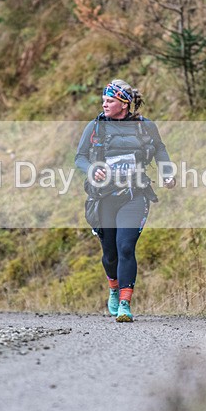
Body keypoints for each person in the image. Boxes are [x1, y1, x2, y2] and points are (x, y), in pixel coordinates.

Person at [75, 79, 175, 322]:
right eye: (103, 100)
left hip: (135, 194)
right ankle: (113, 287)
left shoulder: (145, 127)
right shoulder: (96, 127)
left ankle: (124, 304)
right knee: (110, 254)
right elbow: (80, 157)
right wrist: (91, 170)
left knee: (126, 247)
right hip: (104, 196)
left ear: (124, 103)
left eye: (109, 100)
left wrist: (167, 171)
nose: (104, 104)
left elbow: (160, 149)